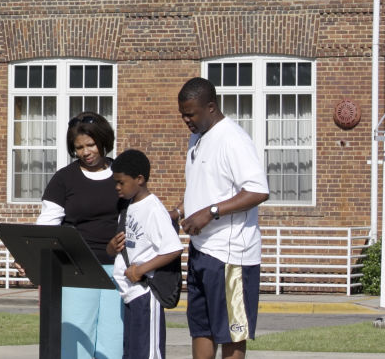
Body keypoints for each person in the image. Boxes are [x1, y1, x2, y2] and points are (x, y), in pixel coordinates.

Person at [174, 77, 269, 359]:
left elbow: (257, 191)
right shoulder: (198, 137)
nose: (186, 120)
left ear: (211, 107)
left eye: (190, 114)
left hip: (231, 257)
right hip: (201, 251)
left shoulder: (233, 139)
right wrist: (179, 211)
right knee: (200, 327)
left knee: (231, 332)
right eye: (183, 115)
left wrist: (211, 212)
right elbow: (203, 188)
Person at [36, 112, 125, 359]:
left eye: (90, 145)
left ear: (103, 141)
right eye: (78, 148)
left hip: (116, 269)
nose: (85, 152)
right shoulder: (64, 179)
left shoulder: (121, 172)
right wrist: (30, 257)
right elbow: (47, 223)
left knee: (113, 343)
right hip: (77, 269)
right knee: (76, 344)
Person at [107, 149, 183, 359]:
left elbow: (173, 248)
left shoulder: (153, 209)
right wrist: (111, 247)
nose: (117, 187)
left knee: (148, 353)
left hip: (145, 293)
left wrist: (141, 269)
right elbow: (121, 247)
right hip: (129, 293)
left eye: (121, 182)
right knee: (132, 353)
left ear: (139, 179)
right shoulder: (128, 206)